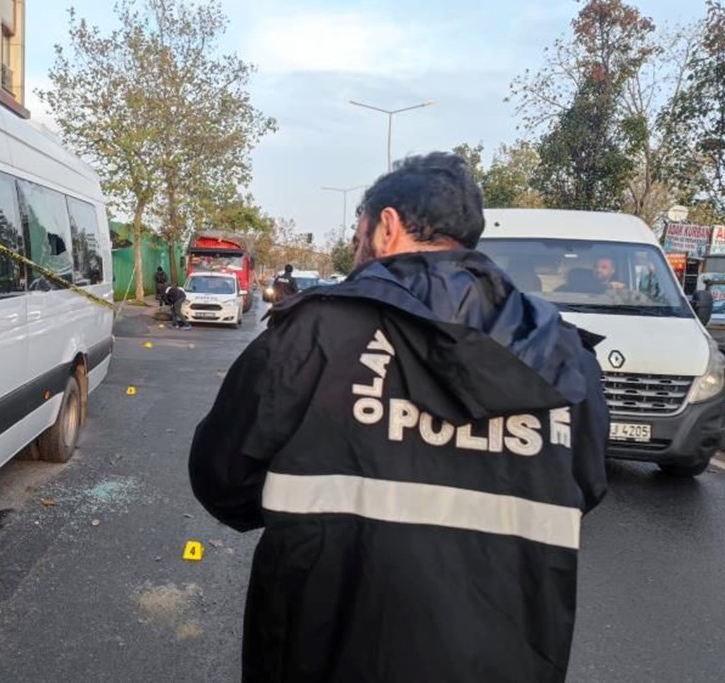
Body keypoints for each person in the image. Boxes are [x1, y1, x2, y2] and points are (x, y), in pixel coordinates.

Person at [188, 152, 608, 682]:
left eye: (358, 233)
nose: (356, 248)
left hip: (321, 655)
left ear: (386, 228)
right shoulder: (563, 356)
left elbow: (222, 478)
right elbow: (586, 488)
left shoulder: (311, 335)